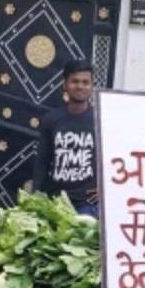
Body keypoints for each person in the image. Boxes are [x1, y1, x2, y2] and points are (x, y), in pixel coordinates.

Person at [32, 59, 98, 216]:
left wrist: (107, 187)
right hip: (56, 201)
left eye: (85, 82)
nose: (80, 86)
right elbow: (42, 160)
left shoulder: (100, 119)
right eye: (74, 81)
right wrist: (34, 196)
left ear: (92, 86)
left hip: (87, 204)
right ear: (65, 85)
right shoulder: (51, 119)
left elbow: (114, 158)